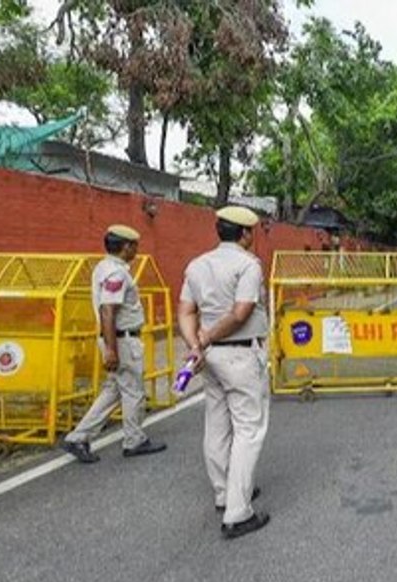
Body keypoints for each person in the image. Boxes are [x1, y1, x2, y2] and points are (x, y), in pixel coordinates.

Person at [179, 206, 271, 540]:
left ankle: (224, 493)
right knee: (248, 429)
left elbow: (186, 310)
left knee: (217, 424)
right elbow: (242, 311)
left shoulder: (197, 265)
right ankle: (237, 512)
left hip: (211, 358)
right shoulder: (248, 265)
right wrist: (206, 337)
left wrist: (195, 343)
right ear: (246, 234)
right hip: (240, 355)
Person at [60, 224, 166, 463]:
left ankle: (78, 437)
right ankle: (134, 440)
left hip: (115, 339)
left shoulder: (103, 267)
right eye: (134, 246)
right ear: (126, 247)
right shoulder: (117, 273)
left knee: (113, 391)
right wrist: (111, 349)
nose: (136, 250)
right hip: (122, 340)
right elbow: (108, 311)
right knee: (133, 392)